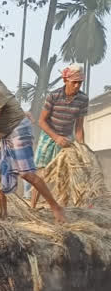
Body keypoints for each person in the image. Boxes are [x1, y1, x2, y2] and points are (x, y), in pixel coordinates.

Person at [0, 57, 65, 223]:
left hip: (18, 129)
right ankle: (3, 216)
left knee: (26, 173)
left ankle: (56, 207)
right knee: (1, 174)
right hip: (5, 134)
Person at [27, 63, 90, 206]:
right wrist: (55, 137)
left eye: (80, 82)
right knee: (41, 173)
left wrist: (81, 148)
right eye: (74, 82)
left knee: (64, 175)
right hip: (49, 136)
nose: (77, 86)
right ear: (66, 80)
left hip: (67, 139)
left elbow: (79, 128)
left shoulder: (83, 99)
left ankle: (62, 209)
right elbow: (41, 121)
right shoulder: (54, 96)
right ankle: (32, 207)